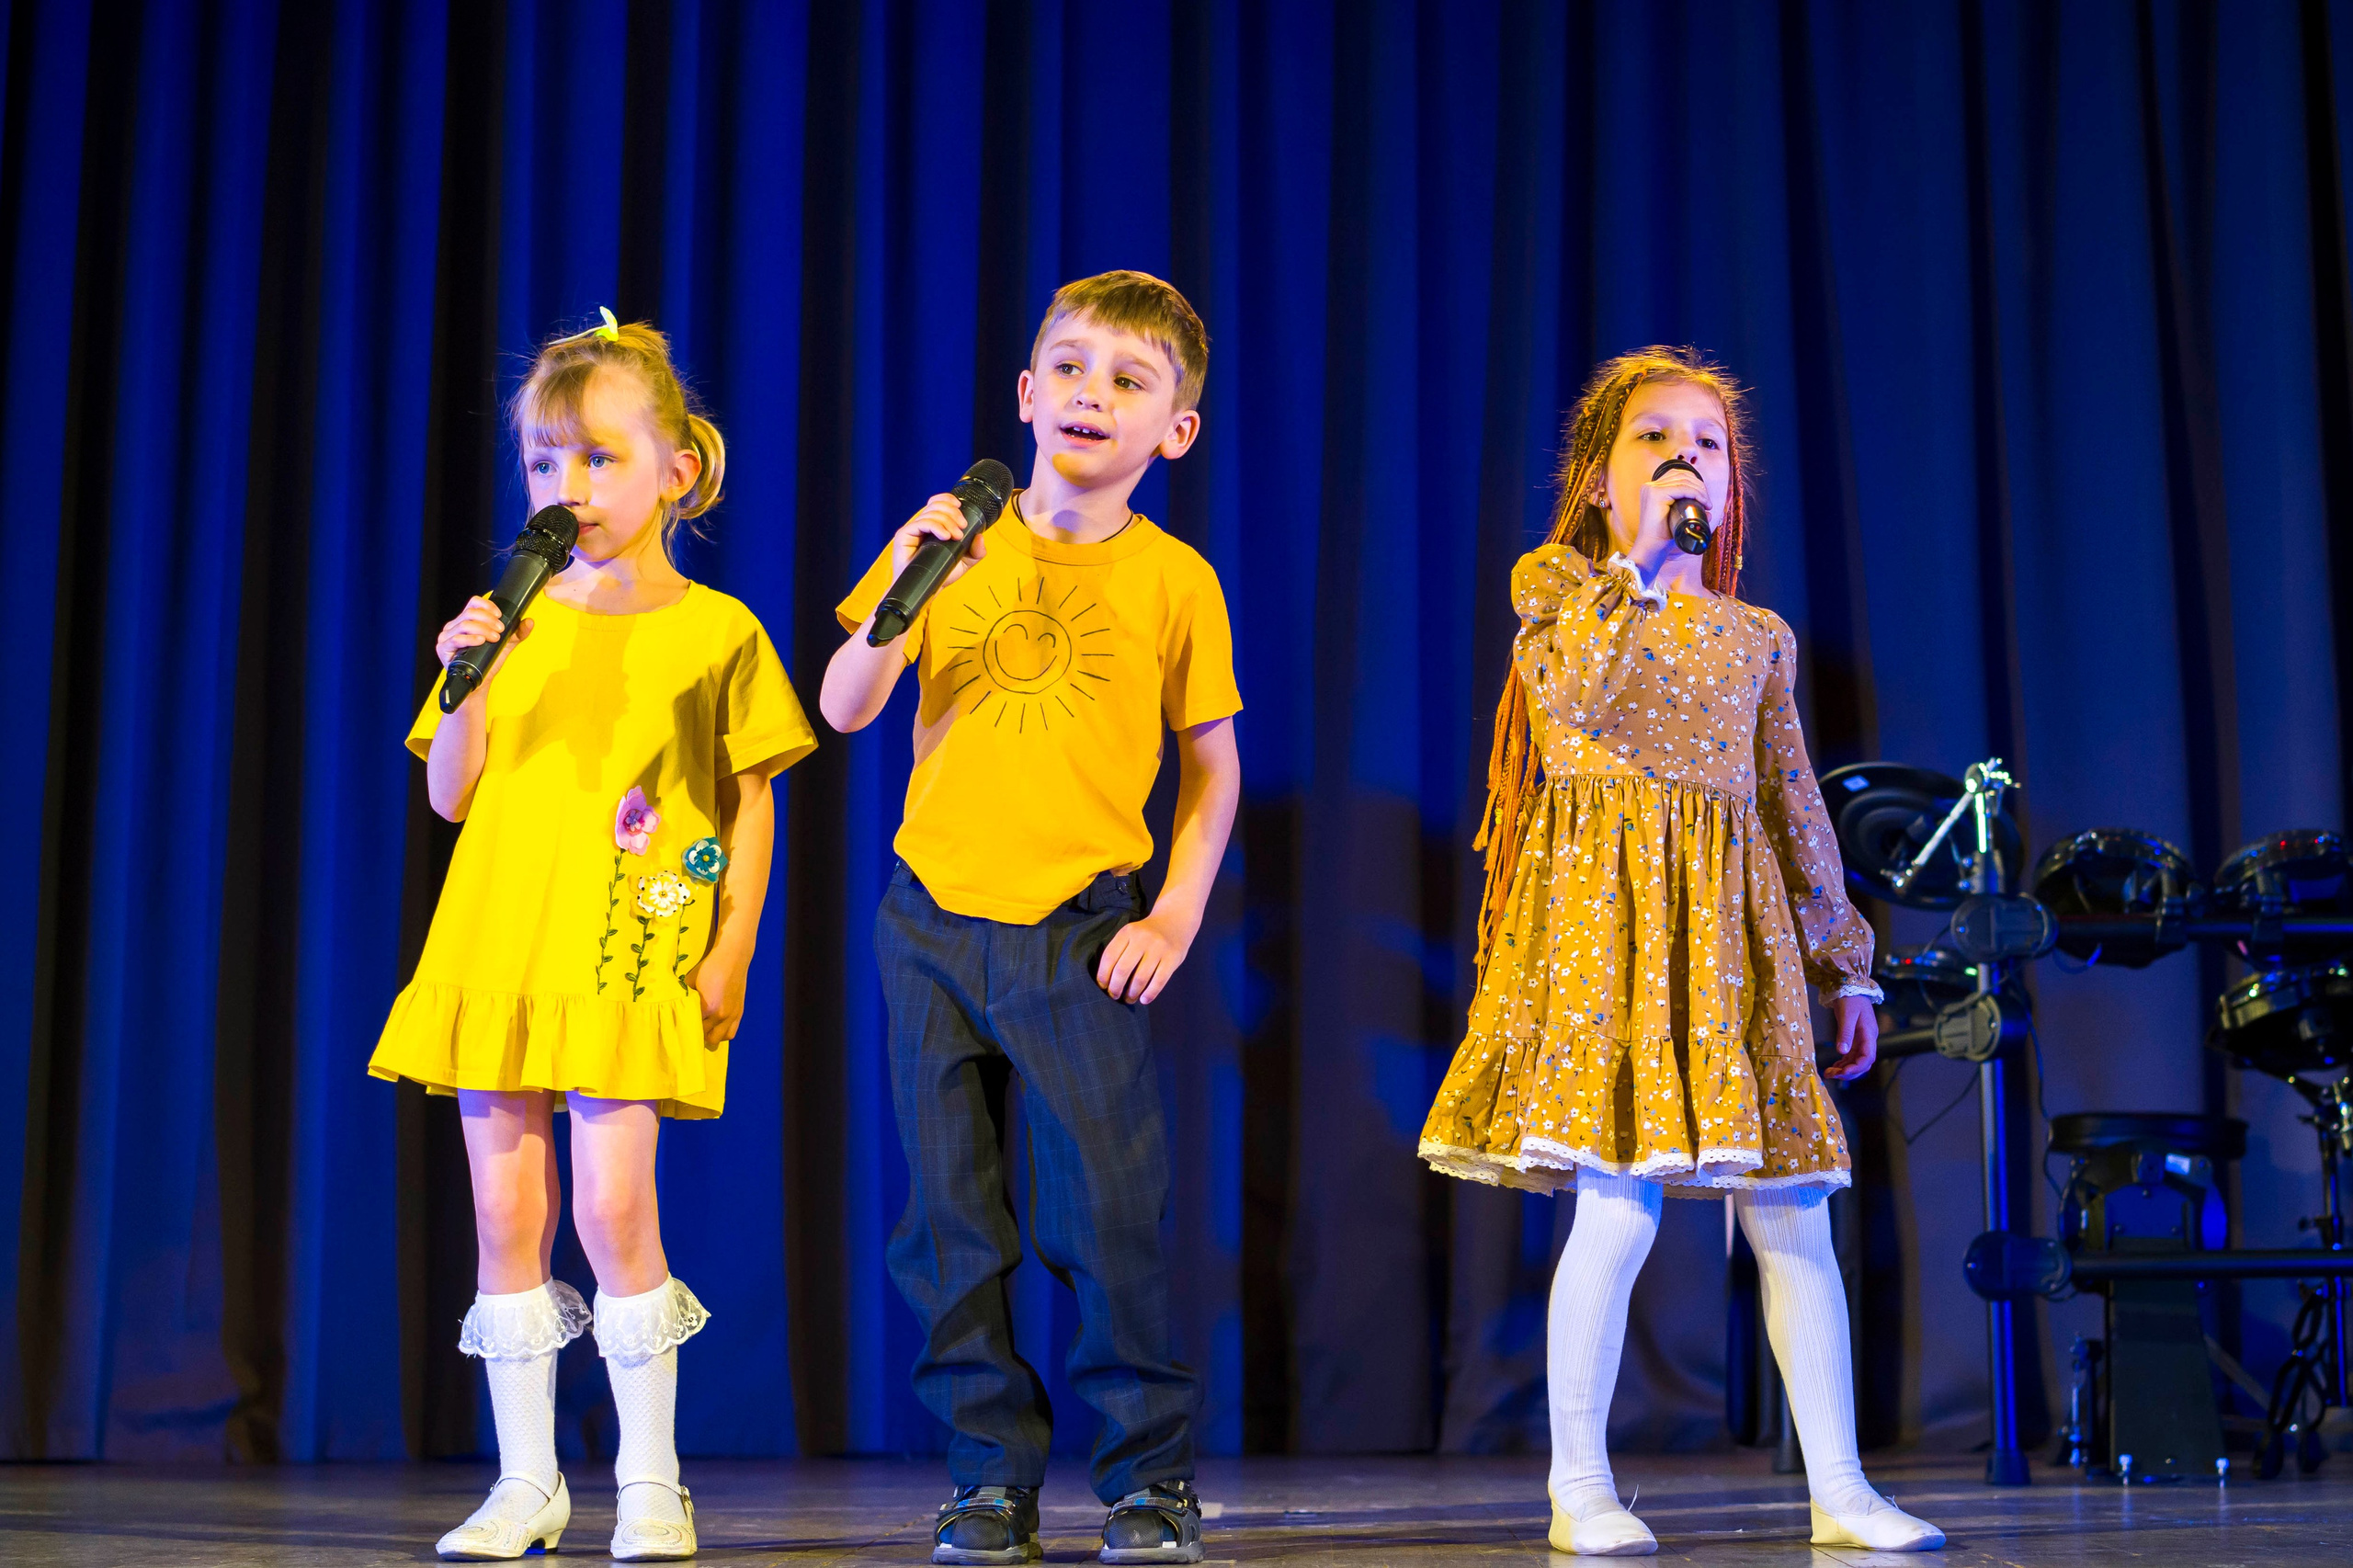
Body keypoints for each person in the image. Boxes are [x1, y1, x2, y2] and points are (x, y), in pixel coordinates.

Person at [1418, 347, 1944, 1556]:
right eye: (1652, 442)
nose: (1681, 460)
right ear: (1603, 483)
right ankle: (1578, 1482)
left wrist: (1843, 958)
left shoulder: (1758, 636)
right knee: (1618, 1206)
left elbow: (1790, 798)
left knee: (1793, 1212)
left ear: (1731, 482)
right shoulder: (1556, 594)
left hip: (1729, 941)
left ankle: (1843, 1488)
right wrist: (1640, 569)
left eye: (1701, 444)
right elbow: (1578, 707)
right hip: (1605, 935)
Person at [369, 311, 816, 1562]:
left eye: (600, 459)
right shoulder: (509, 621)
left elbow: (748, 801)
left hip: (628, 948)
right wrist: (469, 670)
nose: (569, 488)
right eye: (545, 462)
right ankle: (526, 1482)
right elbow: (450, 793)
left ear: (678, 470)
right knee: (508, 1217)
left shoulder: (718, 631)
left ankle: (653, 1479)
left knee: (618, 1210)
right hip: (500, 943)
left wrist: (730, 948)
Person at [820, 271, 1241, 1567]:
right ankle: (986, 1482)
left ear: (1175, 428)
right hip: (933, 921)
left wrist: (1170, 917)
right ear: (1024, 391)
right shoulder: (948, 543)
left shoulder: (1177, 579)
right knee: (950, 1223)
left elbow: (1213, 764)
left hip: (1078, 929)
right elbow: (844, 704)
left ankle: (1148, 1481)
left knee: (1108, 1217)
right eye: (1067, 368)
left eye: (1126, 380)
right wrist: (904, 573)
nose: (1089, 396)